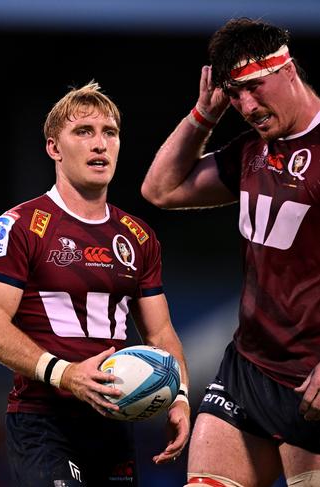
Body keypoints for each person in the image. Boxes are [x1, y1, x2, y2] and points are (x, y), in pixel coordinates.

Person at [0, 82, 191, 486]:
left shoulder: (138, 236)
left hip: (114, 422)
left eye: (109, 132)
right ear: (54, 148)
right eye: (83, 132)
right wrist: (66, 374)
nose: (100, 145)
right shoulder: (19, 226)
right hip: (44, 421)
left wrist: (178, 395)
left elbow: (160, 330)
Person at [141, 18, 320, 487]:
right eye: (233, 94)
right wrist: (204, 113)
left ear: (288, 70)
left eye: (253, 87)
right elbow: (160, 189)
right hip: (248, 369)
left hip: (311, 378)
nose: (245, 105)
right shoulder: (252, 150)